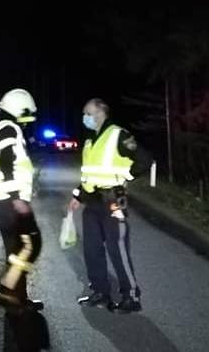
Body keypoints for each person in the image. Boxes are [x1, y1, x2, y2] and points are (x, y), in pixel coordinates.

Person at [70, 98, 152, 313]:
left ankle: (131, 297)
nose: (84, 118)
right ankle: (100, 292)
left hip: (113, 202)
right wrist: (77, 195)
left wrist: (123, 176)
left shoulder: (118, 135)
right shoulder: (90, 140)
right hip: (92, 204)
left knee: (118, 250)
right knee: (92, 250)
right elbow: (89, 173)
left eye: (87, 113)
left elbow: (144, 160)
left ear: (99, 113)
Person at [0, 89, 43, 311]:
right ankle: (5, 289)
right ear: (19, 109)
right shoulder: (9, 128)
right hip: (8, 198)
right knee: (31, 244)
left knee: (17, 248)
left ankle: (17, 299)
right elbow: (6, 161)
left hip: (1, 197)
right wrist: (16, 197)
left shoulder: (1, 128)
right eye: (26, 114)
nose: (27, 120)